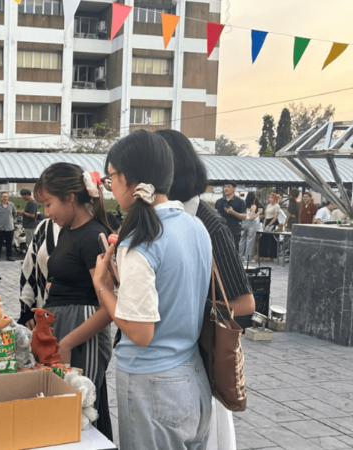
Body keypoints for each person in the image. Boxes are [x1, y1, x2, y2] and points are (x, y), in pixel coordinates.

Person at [94, 130, 213, 449]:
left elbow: (141, 333)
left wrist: (103, 289)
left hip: (152, 385)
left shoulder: (139, 243)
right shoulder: (195, 226)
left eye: (111, 178)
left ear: (128, 178)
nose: (110, 187)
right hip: (193, 377)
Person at [158, 129, 255, 450]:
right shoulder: (166, 221)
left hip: (200, 366)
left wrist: (183, 313)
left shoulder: (207, 222)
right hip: (170, 365)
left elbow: (245, 304)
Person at [34, 162, 114, 439]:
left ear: (70, 199)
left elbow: (110, 305)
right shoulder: (68, 230)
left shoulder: (93, 236)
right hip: (63, 328)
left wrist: (68, 342)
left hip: (81, 334)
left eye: (48, 204)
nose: (46, 213)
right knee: (63, 411)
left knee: (81, 412)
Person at [214, 181, 246, 249]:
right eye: (225, 187)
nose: (226, 188)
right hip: (220, 232)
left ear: (234, 189)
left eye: (228, 187)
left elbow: (244, 216)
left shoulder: (240, 202)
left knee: (233, 254)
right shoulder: (219, 202)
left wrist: (233, 212)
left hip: (234, 232)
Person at [0, 192, 18, 261]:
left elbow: (14, 214)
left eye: (6, 196)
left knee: (9, 243)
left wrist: (11, 220)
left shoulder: (11, 205)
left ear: (8, 197)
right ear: (1, 197)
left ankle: (9, 256)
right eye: (3, 196)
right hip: (0, 227)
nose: (5, 198)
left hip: (9, 227)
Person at [239, 192, 263, 264]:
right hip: (251, 223)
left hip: (244, 222)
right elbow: (252, 217)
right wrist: (258, 213)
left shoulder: (243, 205)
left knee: (242, 240)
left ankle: (239, 256)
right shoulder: (253, 206)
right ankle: (247, 258)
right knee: (250, 241)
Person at [258, 193, 282, 261]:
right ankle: (262, 254)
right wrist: (264, 223)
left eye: (271, 198)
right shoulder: (268, 205)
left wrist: (271, 224)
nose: (269, 199)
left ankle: (271, 255)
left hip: (273, 221)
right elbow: (266, 215)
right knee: (263, 238)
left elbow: (275, 216)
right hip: (267, 220)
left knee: (272, 239)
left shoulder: (277, 206)